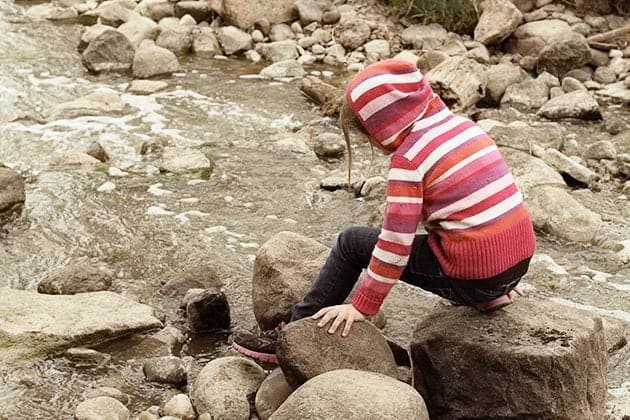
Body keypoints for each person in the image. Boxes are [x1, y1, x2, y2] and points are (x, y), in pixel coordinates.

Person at [232, 59, 537, 364]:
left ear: (382, 124)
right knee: (454, 232)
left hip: (475, 280)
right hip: (515, 269)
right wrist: (500, 282)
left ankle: (293, 333)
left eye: (367, 134)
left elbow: (395, 245)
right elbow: (489, 206)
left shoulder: (410, 158)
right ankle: (491, 294)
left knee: (351, 243)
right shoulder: (465, 128)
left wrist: (363, 306)